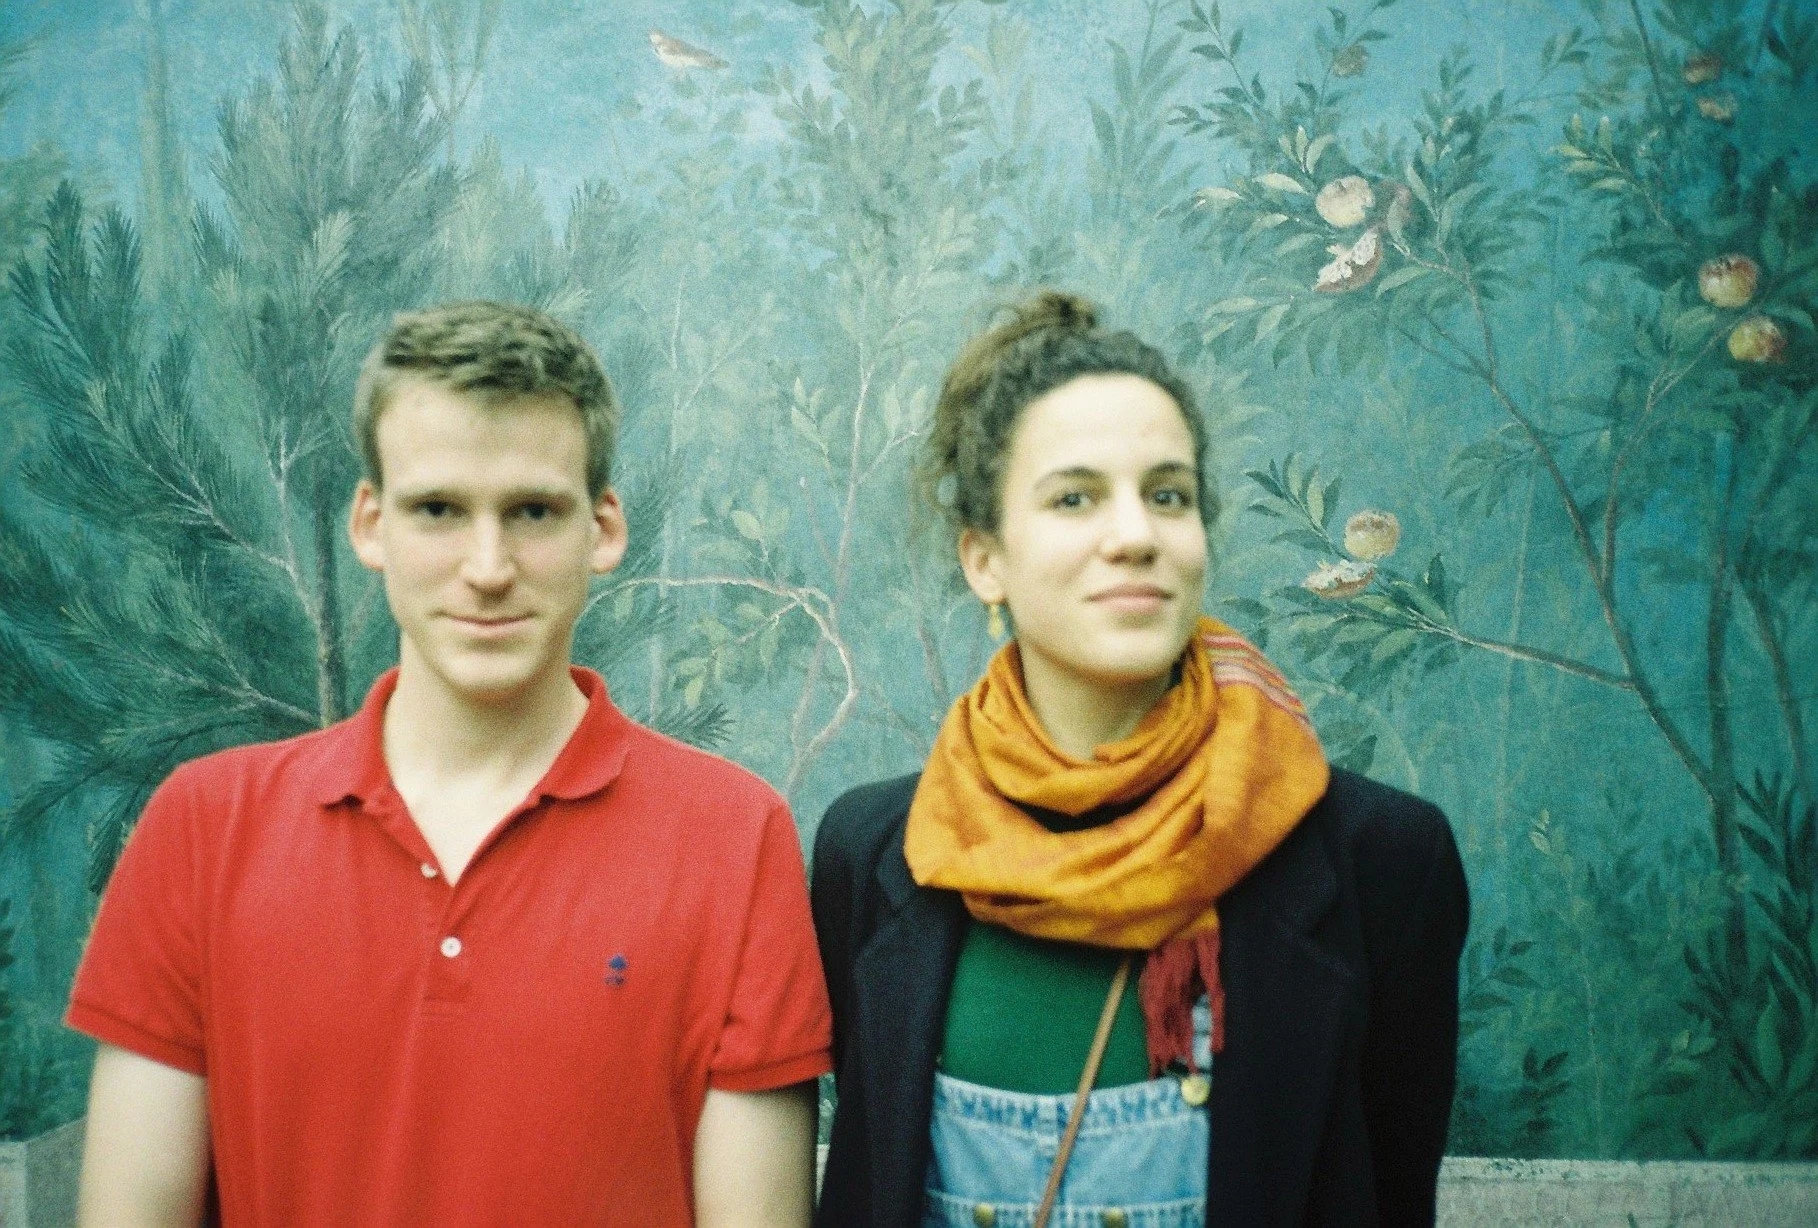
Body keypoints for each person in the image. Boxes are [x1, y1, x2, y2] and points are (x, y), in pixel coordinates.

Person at [67, 301, 831, 1226]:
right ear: (370, 524)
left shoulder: (734, 839)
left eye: (533, 511)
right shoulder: (204, 827)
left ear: (603, 528)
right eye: (438, 510)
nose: (488, 566)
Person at [811, 292, 1468, 1227]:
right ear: (984, 560)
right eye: (1074, 497)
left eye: (1168, 495)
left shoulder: (1382, 861)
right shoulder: (876, 855)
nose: (1136, 535)